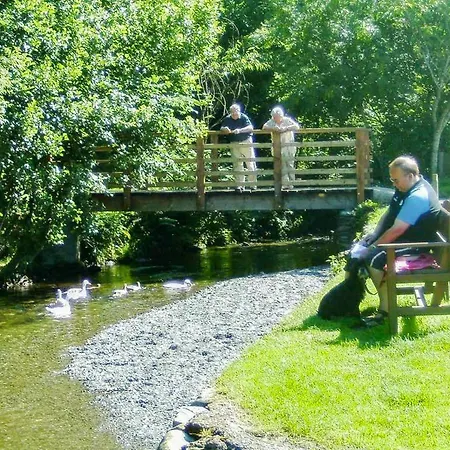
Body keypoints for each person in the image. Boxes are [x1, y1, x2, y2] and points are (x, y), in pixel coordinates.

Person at [351, 155, 441, 326]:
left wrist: (374, 247)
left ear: (410, 176)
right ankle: (353, 303)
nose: (394, 184)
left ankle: (385, 310)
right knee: (362, 251)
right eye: (392, 180)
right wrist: (375, 234)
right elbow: (390, 213)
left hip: (416, 245)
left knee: (373, 259)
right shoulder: (405, 189)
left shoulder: (418, 196)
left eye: (396, 180)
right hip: (404, 239)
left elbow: (397, 229)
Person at [220, 104, 257, 191]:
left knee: (250, 163)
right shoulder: (227, 119)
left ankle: (252, 185)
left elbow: (250, 127)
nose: (234, 114)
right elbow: (222, 128)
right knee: (237, 164)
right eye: (232, 112)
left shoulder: (244, 117)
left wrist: (240, 130)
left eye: (235, 112)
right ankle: (239, 185)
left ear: (239, 111)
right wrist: (225, 129)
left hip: (246, 141)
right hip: (234, 143)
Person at [262, 106, 301, 189]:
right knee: (281, 165)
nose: (276, 118)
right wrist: (273, 128)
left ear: (281, 115)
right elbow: (264, 127)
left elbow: (297, 126)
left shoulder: (287, 120)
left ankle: (291, 184)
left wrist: (286, 128)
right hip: (278, 147)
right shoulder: (272, 121)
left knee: (290, 164)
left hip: (289, 146)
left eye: (278, 116)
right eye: (274, 117)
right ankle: (285, 184)